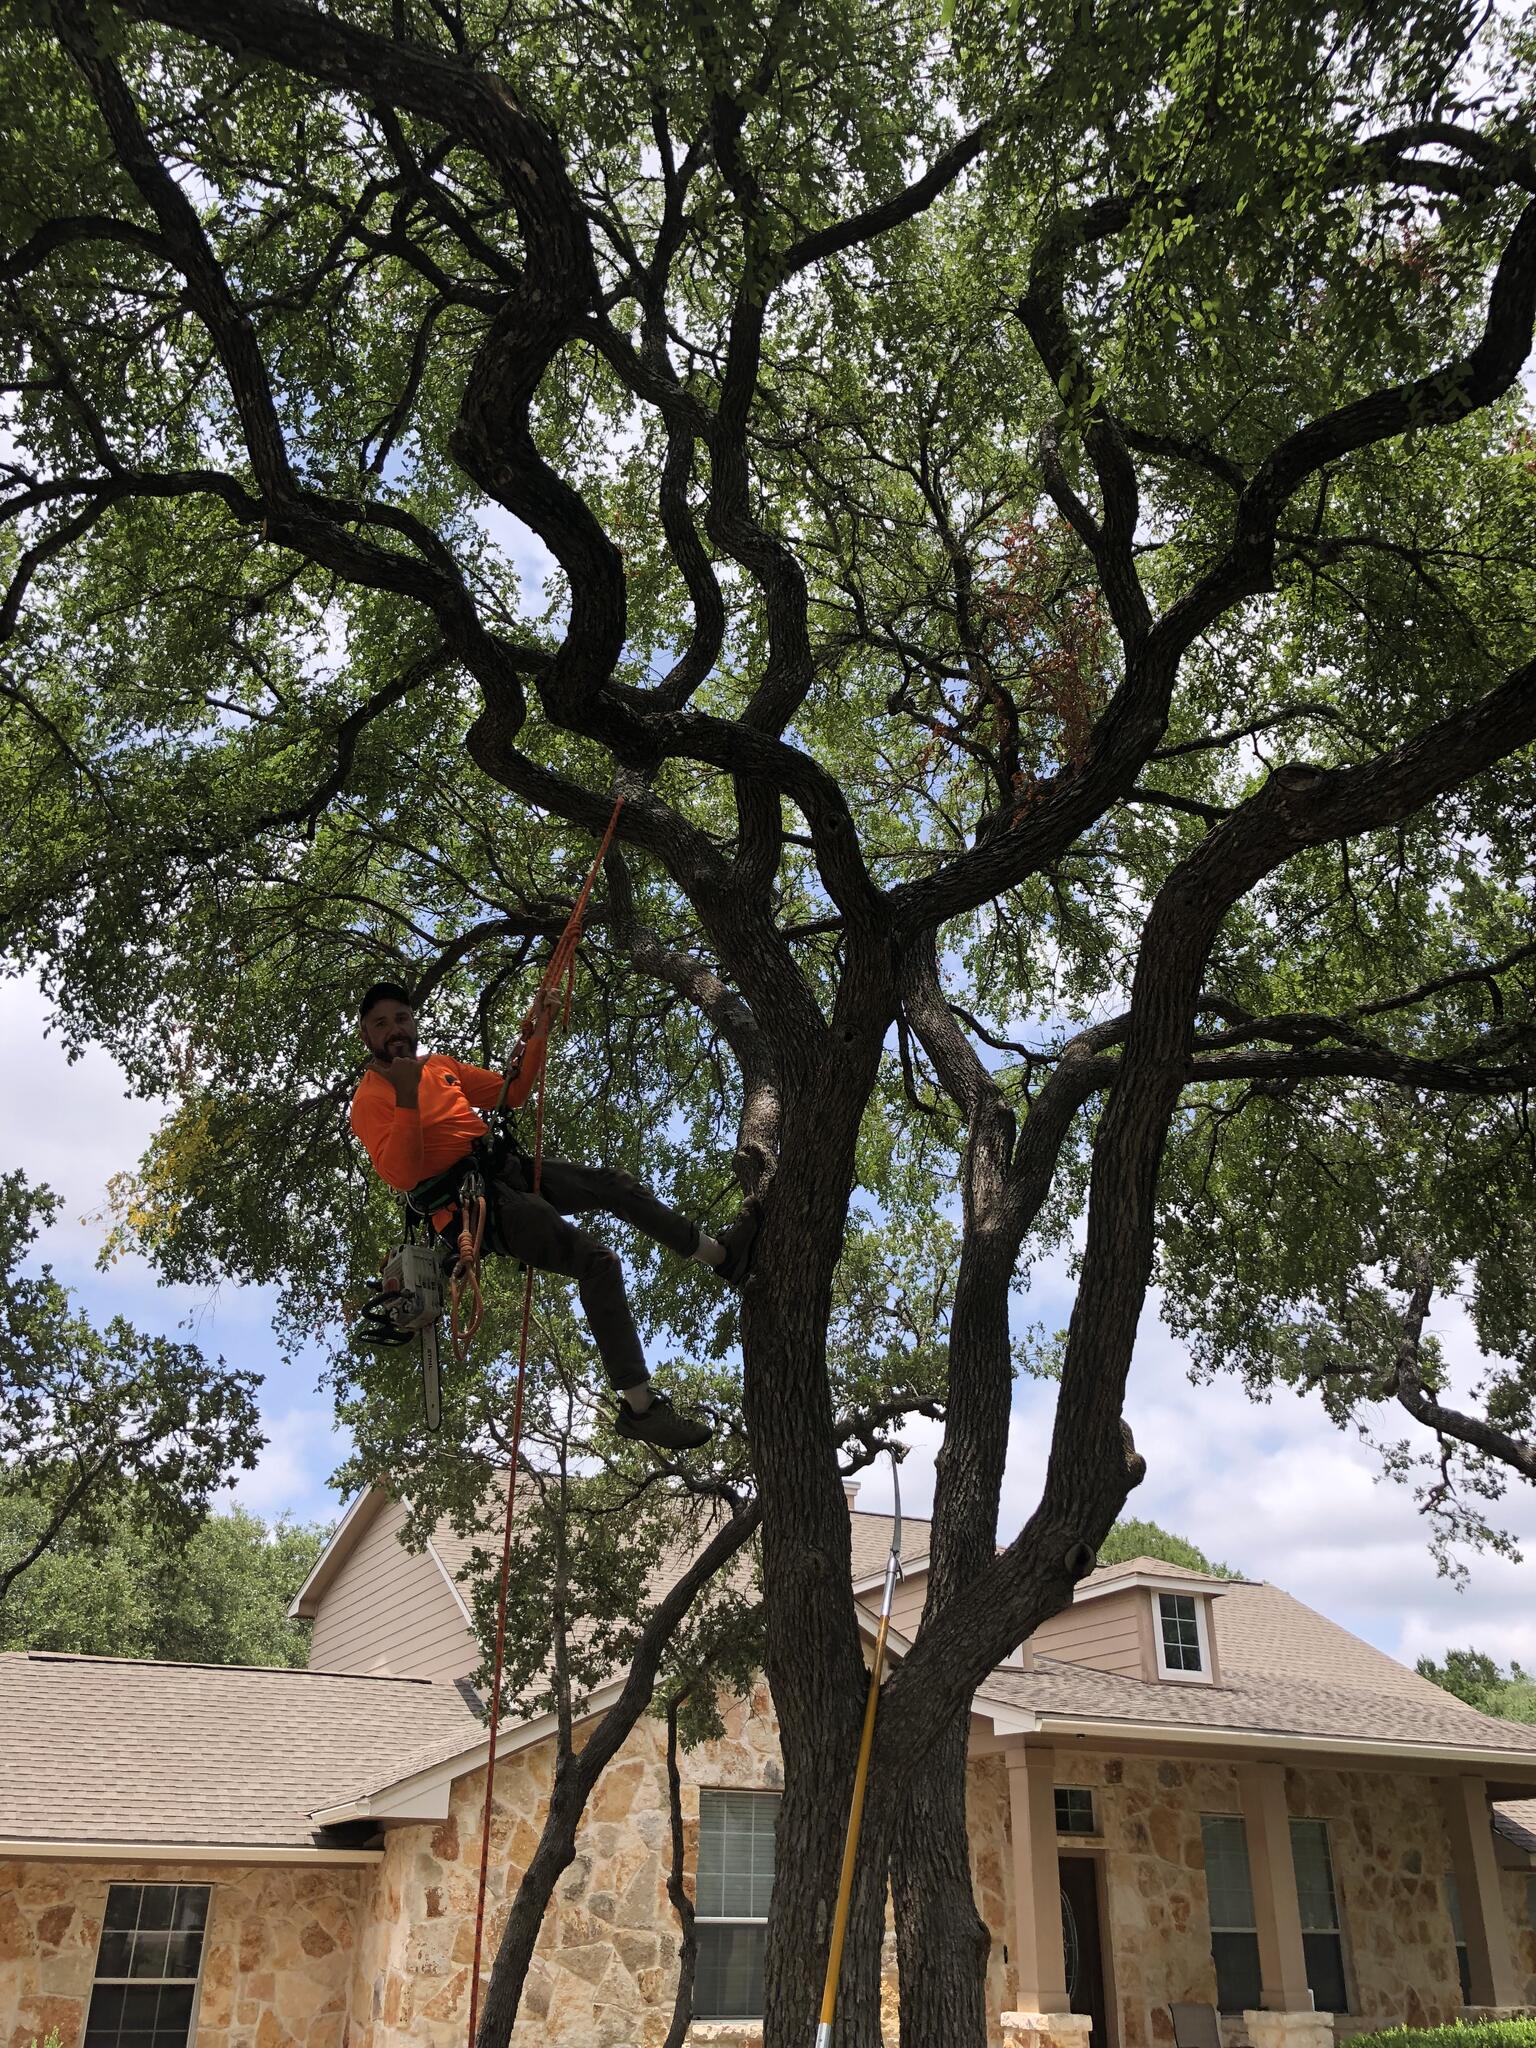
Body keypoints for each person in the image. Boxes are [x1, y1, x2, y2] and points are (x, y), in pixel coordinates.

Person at [348, 981, 757, 1452]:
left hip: (505, 1169)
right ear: (366, 1035)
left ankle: (722, 1256)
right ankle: (641, 1409)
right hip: (475, 1208)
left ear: (413, 1021)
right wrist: (405, 1096)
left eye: (401, 1018)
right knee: (597, 1262)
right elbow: (402, 1172)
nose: (394, 1030)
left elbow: (512, 1091)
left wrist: (538, 1030)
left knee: (614, 1186)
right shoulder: (371, 1100)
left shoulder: (440, 1067)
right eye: (381, 1024)